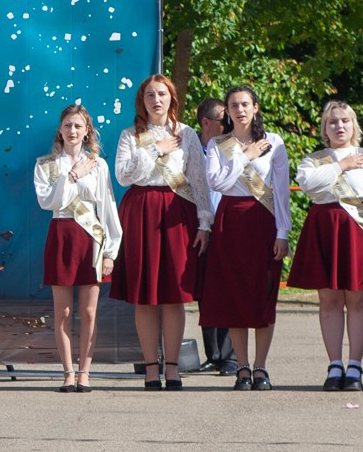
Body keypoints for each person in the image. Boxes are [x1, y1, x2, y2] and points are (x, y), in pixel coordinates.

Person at [112, 75, 212, 390]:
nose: (156, 100)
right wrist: (155, 149)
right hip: (141, 212)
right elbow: (125, 175)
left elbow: (199, 179)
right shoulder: (131, 136)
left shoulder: (188, 134)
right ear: (142, 102)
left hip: (177, 213)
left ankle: (173, 368)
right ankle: (150, 369)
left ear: (172, 98)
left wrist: (204, 222)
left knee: (173, 296)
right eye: (150, 95)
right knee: (145, 296)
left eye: (162, 94)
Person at [288, 100, 363, 391]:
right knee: (330, 300)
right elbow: (310, 185)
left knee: (359, 299)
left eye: (345, 121)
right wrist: (341, 165)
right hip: (325, 230)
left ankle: (356, 366)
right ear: (325, 127)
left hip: (358, 233)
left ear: (353, 125)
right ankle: (335, 365)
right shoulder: (315, 159)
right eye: (333, 121)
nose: (339, 126)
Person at [201, 84, 289, 390]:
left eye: (245, 104)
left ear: (255, 107)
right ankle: (242, 367)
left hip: (264, 221)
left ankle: (261, 367)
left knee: (263, 296)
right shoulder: (218, 144)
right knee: (235, 297)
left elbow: (281, 192)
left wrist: (283, 232)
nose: (240, 110)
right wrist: (245, 156)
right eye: (234, 105)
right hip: (230, 221)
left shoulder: (274, 142)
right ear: (228, 111)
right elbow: (216, 182)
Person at [34, 102, 120, 391]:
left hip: (91, 238)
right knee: (63, 312)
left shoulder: (99, 164)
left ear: (87, 132)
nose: (72, 130)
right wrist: (71, 176)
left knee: (89, 311)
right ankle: (67, 372)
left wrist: (110, 250)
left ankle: (85, 371)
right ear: (60, 130)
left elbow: (107, 207)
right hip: (62, 233)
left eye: (78, 126)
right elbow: (49, 202)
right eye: (68, 125)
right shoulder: (46, 164)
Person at [191, 95, 237, 376]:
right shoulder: (189, 147)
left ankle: (230, 355)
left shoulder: (232, 148)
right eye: (224, 120)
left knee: (227, 290)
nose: (230, 124)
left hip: (227, 225)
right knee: (205, 292)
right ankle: (214, 354)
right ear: (206, 123)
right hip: (198, 227)